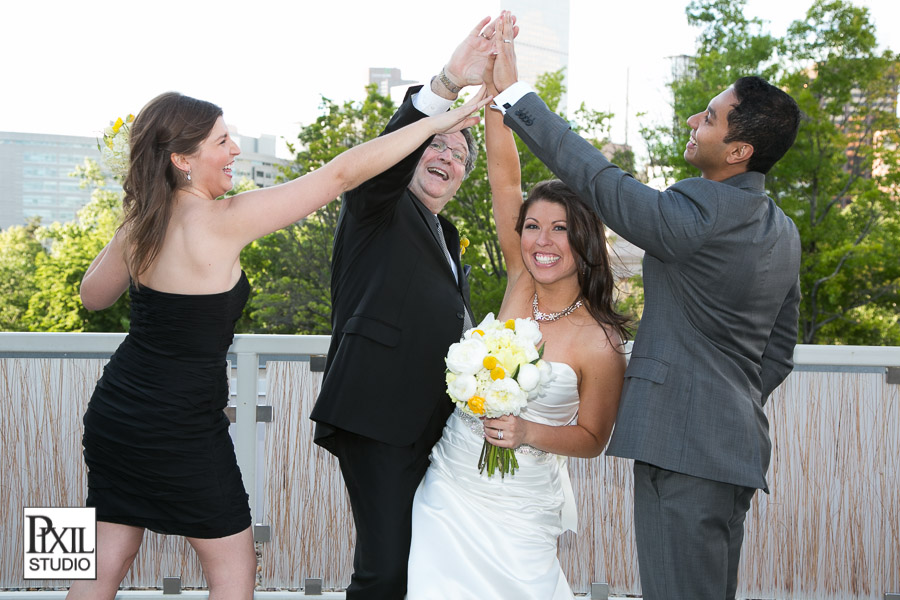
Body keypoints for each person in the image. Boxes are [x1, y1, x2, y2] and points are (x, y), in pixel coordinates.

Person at [68, 89, 487, 600]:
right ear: (182, 159)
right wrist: (431, 122)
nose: (235, 151)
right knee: (234, 576)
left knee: (103, 564)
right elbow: (338, 176)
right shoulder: (223, 220)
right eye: (222, 141)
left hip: (116, 412)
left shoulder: (141, 224)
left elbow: (93, 295)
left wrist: (139, 214)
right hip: (181, 424)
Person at [488, 11, 802, 600]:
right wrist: (726, 398)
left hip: (683, 450)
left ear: (738, 150)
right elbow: (779, 349)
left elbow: (602, 182)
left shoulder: (702, 211)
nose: (693, 119)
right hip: (728, 447)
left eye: (708, 117)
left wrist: (515, 97)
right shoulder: (781, 229)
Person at [406, 53, 628, 599]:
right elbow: (506, 175)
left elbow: (593, 439)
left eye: (560, 229)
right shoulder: (520, 283)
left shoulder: (602, 342)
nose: (542, 242)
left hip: (520, 504)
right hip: (452, 480)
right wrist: (494, 82)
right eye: (532, 226)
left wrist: (527, 432)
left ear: (585, 242)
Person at [308, 15, 514, 599]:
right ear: (412, 151)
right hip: (378, 413)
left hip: (430, 423)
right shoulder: (379, 204)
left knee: (421, 564)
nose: (446, 156)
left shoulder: (446, 237)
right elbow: (381, 161)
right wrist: (447, 86)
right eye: (436, 143)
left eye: (459, 155)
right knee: (386, 569)